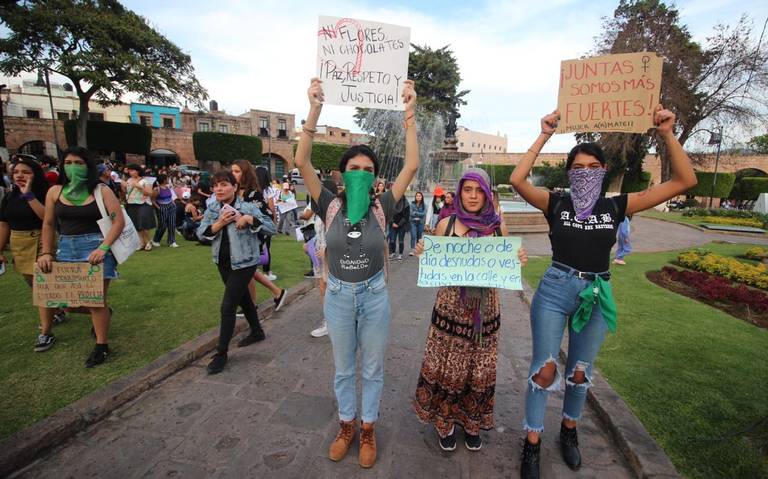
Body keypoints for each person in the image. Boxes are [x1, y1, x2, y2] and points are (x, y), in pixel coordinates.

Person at [510, 107, 696, 478]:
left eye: (594, 167)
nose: (586, 173)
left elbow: (684, 181)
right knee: (544, 370)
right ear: (569, 171)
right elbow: (517, 180)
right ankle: (532, 442)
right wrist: (544, 133)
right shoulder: (556, 202)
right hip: (555, 288)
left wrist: (667, 133)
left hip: (596, 292)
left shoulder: (616, 206)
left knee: (580, 372)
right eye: (578, 167)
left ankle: (569, 429)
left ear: (604, 170)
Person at [294, 77, 419, 468]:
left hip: (374, 296)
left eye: (367, 168)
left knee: (373, 368)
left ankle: (368, 428)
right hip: (338, 298)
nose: (361, 173)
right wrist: (314, 109)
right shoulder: (328, 203)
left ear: (375, 175)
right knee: (344, 369)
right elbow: (301, 162)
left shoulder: (383, 204)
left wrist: (410, 112)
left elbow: (412, 165)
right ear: (343, 173)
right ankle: (346, 425)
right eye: (354, 168)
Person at [412, 168, 528, 452]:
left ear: (487, 193)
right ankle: (446, 422)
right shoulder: (446, 224)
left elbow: (506, 264)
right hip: (451, 309)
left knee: (479, 368)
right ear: (460, 192)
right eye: (467, 190)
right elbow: (435, 263)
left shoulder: (499, 227)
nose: (473, 196)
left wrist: (518, 258)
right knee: (448, 365)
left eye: (479, 190)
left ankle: (472, 422)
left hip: (485, 312)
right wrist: (422, 253)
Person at [37, 146, 125, 367]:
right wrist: (46, 252)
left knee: (95, 301)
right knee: (68, 303)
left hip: (96, 246)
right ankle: (104, 314)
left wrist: (103, 248)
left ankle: (101, 346)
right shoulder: (55, 192)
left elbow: (118, 221)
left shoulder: (101, 191)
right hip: (66, 247)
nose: (73, 168)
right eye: (68, 163)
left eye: (79, 163)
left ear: (88, 166)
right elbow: (48, 224)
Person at [197, 171, 276, 374]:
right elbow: (201, 234)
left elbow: (271, 228)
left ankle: (221, 353)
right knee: (244, 300)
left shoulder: (248, 207)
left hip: (245, 262)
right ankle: (257, 332)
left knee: (228, 306)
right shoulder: (213, 208)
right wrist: (220, 223)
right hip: (222, 262)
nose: (219, 189)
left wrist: (249, 219)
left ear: (234, 187)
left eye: (224, 184)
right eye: (215, 186)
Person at [0, 156, 63, 350]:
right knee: (32, 283)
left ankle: (46, 332)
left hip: (40, 240)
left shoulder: (45, 193)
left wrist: (29, 196)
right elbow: (4, 223)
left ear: (35, 175)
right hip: (19, 243)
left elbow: (48, 219)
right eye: (16, 172)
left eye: (26, 172)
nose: (20, 175)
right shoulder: (9, 196)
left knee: (41, 287)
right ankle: (58, 310)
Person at [230, 160, 287, 311]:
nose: (233, 174)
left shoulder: (254, 194)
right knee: (248, 270)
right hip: (236, 238)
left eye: (237, 171)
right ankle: (274, 293)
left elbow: (266, 216)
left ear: (245, 173)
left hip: (252, 237)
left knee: (247, 269)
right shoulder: (234, 192)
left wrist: (248, 218)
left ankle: (254, 303)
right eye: (232, 171)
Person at [308, 179, 337, 339]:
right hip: (318, 255)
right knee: (322, 289)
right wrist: (311, 245)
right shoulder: (319, 212)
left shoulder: (334, 212)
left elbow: (341, 236)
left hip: (331, 257)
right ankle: (329, 321)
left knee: (331, 290)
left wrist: (326, 249)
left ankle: (332, 323)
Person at [123, 164, 156, 251]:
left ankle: (148, 242)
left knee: (143, 225)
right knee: (136, 225)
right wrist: (123, 186)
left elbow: (150, 193)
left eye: (133, 170)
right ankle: (141, 242)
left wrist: (139, 186)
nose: (131, 172)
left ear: (137, 171)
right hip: (131, 204)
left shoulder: (145, 181)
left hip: (143, 204)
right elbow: (126, 192)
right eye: (129, 171)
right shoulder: (129, 180)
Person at [150, 173, 178, 248]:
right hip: (162, 207)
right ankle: (156, 240)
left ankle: (172, 241)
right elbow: (152, 200)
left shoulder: (168, 187)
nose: (168, 180)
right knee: (162, 225)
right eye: (167, 179)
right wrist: (159, 208)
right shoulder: (157, 189)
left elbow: (170, 197)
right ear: (164, 180)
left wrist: (173, 203)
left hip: (171, 206)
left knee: (172, 224)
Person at [388, 196, 410, 261]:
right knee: (392, 240)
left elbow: (406, 216)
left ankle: (400, 254)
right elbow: (389, 214)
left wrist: (399, 224)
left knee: (401, 240)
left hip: (402, 225)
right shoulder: (391, 203)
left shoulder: (406, 204)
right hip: (393, 224)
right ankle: (393, 253)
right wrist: (392, 223)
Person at [408, 191, 426, 256]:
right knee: (413, 235)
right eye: (417, 196)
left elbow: (423, 214)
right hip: (413, 222)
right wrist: (417, 215)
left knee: (419, 236)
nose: (418, 197)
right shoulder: (412, 204)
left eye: (419, 196)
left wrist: (415, 213)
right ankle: (412, 250)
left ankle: (418, 250)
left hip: (420, 223)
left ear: (422, 197)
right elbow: (410, 213)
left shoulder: (424, 205)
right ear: (415, 197)